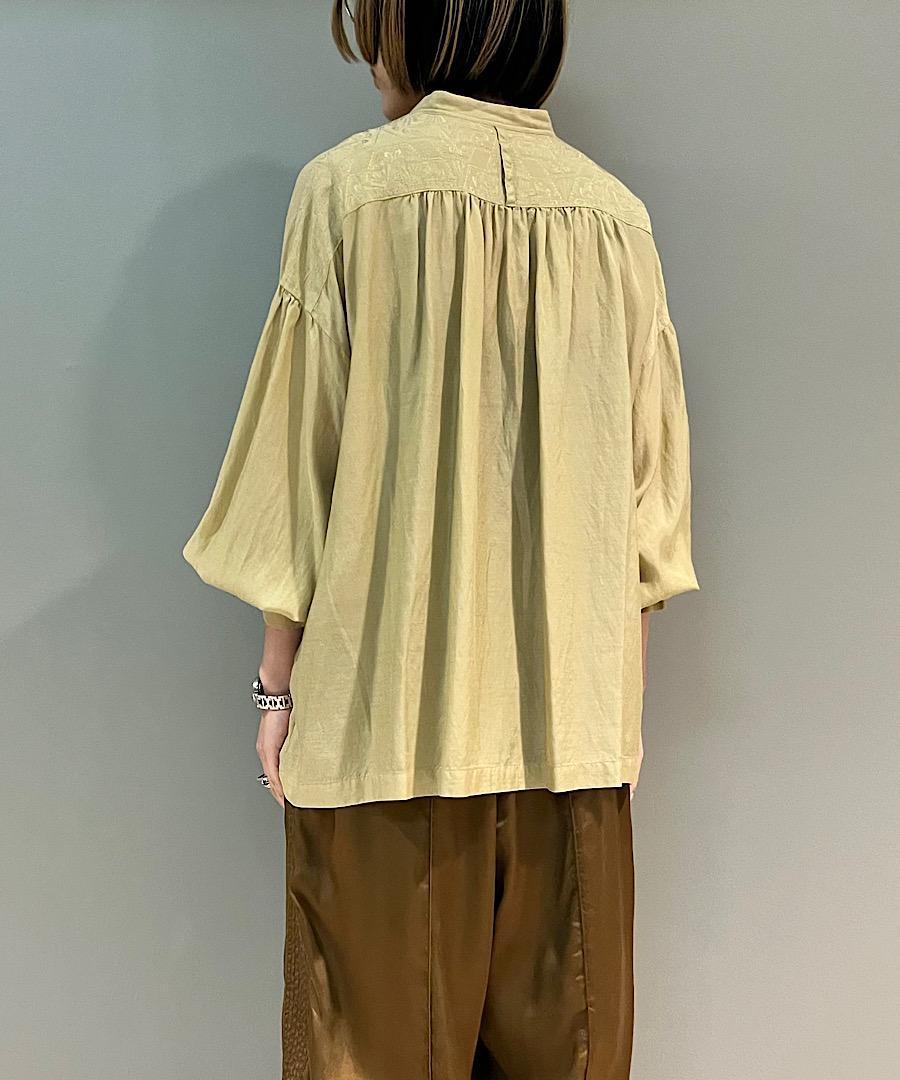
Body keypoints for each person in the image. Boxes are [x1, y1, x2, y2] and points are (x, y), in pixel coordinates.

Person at [182, 1, 700, 1075]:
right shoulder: (620, 223)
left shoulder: (347, 194)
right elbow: (647, 520)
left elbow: (296, 471)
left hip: (382, 751)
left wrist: (276, 691)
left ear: (418, 26)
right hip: (574, 759)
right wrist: (620, 733)